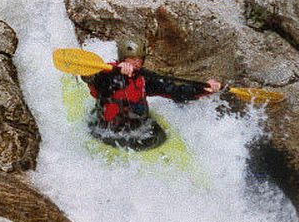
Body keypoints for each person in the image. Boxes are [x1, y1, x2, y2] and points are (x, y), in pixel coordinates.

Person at [81, 39, 221, 150]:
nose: (136, 63)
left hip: (138, 130)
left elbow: (174, 90)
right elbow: (90, 78)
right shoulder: (107, 75)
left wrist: (203, 89)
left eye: (139, 59)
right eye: (131, 59)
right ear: (122, 58)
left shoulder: (143, 77)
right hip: (107, 132)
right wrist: (114, 72)